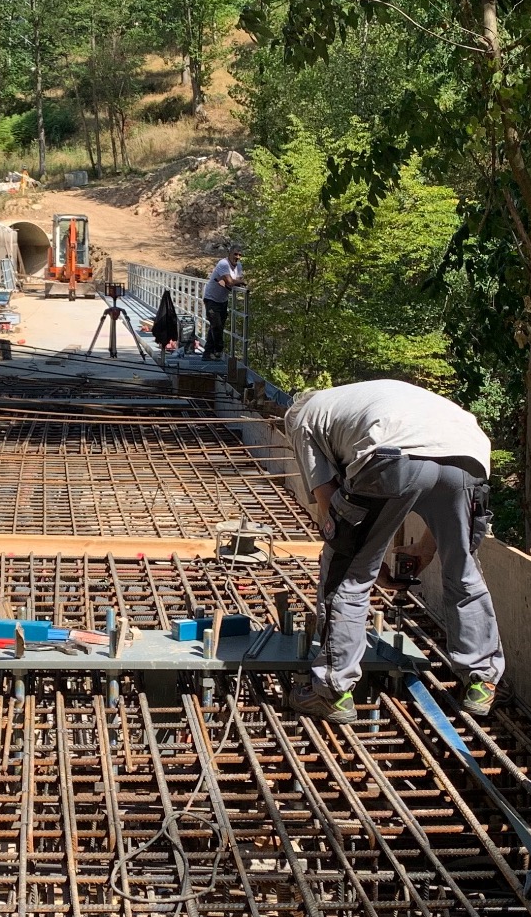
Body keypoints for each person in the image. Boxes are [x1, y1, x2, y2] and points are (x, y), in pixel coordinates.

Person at [284, 378, 504, 723]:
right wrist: (425, 551)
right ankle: (481, 681)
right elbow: (437, 476)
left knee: (346, 573)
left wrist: (367, 564)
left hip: (391, 457)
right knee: (464, 570)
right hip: (469, 456)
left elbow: (328, 506)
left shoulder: (301, 419)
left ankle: (333, 691)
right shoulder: (360, 400)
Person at [200, 247, 243, 359]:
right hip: (211, 298)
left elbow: (234, 282)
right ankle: (218, 350)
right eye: (235, 254)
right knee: (216, 326)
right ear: (229, 254)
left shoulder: (239, 266)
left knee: (217, 327)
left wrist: (232, 281)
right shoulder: (223, 264)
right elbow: (231, 282)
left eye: (240, 255)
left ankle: (207, 353)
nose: (237, 257)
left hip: (223, 300)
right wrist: (236, 281)